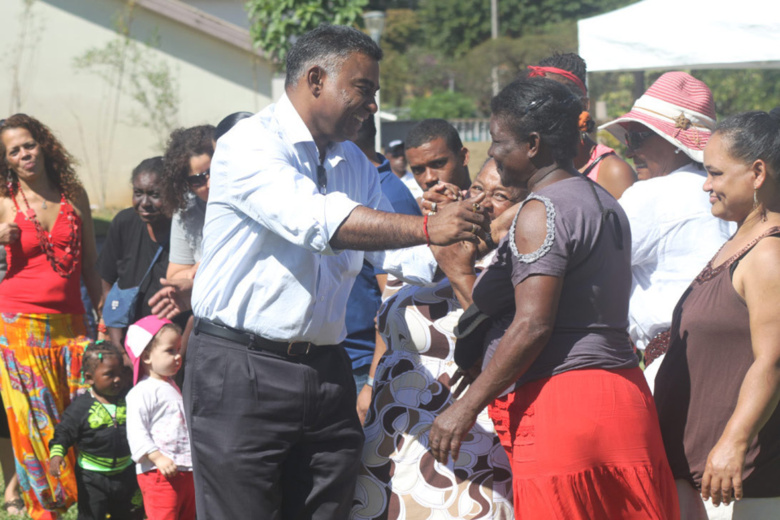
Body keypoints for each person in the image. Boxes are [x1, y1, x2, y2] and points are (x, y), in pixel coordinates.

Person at [184, 24, 489, 519]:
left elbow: (396, 258)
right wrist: (431, 226)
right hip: (241, 368)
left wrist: (478, 234)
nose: (371, 105)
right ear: (315, 79)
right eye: (363, 89)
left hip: (325, 370)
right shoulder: (250, 144)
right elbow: (320, 221)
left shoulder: (354, 163)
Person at [428, 77, 680, 519]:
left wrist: (466, 407)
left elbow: (533, 325)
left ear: (532, 144)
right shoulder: (604, 201)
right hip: (625, 398)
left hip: (565, 407)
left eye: (498, 142)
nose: (493, 155)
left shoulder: (540, 210)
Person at [352, 158, 520, 520]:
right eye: (478, 189)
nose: (483, 203)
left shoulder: (512, 265)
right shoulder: (430, 249)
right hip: (393, 439)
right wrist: (369, 383)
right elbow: (388, 317)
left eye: (500, 195)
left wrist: (458, 270)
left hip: (464, 446)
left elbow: (499, 348)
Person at [654, 109, 780, 520]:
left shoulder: (769, 254)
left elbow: (773, 360)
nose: (706, 185)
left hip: (738, 486)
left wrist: (734, 442)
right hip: (701, 479)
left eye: (716, 173)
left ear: (758, 173)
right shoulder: (742, 238)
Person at [599, 72, 733, 388]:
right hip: (729, 360)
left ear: (674, 143)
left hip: (679, 366)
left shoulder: (653, 195)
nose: (630, 152)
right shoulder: (726, 191)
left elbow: (587, 266)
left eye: (638, 138)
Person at [0, 114, 102, 519]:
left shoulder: (73, 192)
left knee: (75, 420)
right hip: (19, 329)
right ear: (6, 160)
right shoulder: (4, 202)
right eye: (14, 151)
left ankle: (82, 501)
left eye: (29, 145)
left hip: (72, 328)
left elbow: (91, 265)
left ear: (43, 144)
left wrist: (104, 320)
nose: (25, 154)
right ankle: (46, 510)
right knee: (35, 429)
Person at [347, 117, 421, 412]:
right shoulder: (357, 187)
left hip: (364, 364)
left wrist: (370, 382)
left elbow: (394, 300)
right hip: (347, 358)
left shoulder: (387, 198)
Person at [48, 341, 142, 520]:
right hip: (92, 478)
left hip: (126, 473)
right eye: (109, 375)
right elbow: (63, 432)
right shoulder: (80, 408)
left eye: (120, 373)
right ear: (89, 378)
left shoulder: (129, 400)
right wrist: (56, 455)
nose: (118, 379)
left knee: (129, 516)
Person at [97, 157, 186, 347]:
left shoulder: (187, 230)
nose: (144, 203)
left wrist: (178, 355)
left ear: (173, 194)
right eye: (138, 193)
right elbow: (107, 281)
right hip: (130, 339)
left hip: (174, 343)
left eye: (155, 194)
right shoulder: (124, 222)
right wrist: (119, 346)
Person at [528, 52, 636, 199]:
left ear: (584, 105)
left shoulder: (612, 172)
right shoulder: (528, 164)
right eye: (538, 102)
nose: (547, 110)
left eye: (558, 100)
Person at [125, 316, 195, 520]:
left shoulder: (171, 386)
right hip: (159, 472)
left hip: (185, 468)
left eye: (178, 349)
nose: (177, 356)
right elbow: (136, 431)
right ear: (146, 356)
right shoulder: (142, 391)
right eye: (169, 350)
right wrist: (157, 457)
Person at [405, 118, 471, 199]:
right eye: (418, 170)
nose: (429, 178)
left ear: (463, 157)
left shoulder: (488, 206)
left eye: (438, 164)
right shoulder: (413, 209)